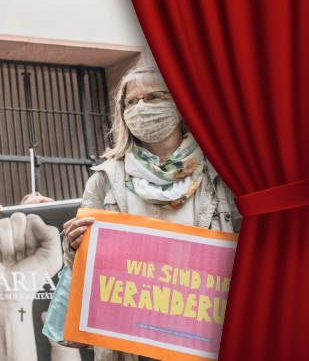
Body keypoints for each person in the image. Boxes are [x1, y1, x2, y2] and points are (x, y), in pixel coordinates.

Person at [60, 66, 241, 361]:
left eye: (153, 97)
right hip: (128, 343)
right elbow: (76, 265)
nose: (140, 108)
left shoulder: (221, 174)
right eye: (131, 102)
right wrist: (72, 244)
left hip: (201, 337)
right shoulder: (104, 178)